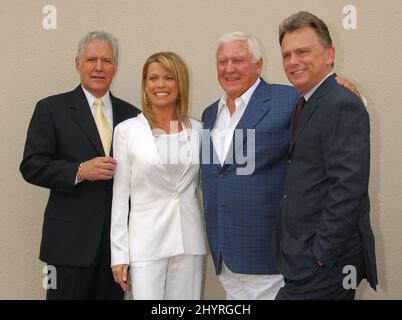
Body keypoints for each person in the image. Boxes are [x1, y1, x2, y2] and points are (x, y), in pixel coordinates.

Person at [200, 31, 363, 300]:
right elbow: (218, 175)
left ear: (259, 64)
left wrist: (351, 96)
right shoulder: (209, 114)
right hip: (225, 257)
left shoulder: (288, 100)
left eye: (238, 60)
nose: (229, 68)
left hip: (270, 257)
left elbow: (332, 112)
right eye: (222, 61)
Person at [19, 31, 140, 299]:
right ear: (78, 64)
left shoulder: (132, 115)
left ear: (116, 68)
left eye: (107, 61)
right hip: (68, 245)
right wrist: (79, 171)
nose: (99, 67)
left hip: (116, 249)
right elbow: (31, 165)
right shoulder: (51, 108)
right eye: (91, 60)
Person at [273, 11, 377, 300]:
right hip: (305, 260)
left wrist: (321, 253)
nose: (293, 61)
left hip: (326, 263)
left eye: (303, 51)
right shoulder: (308, 101)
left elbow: (348, 188)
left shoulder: (341, 102)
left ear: (329, 54)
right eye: (286, 55)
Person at [110, 52, 207, 300]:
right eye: (153, 78)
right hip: (146, 244)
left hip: (189, 241)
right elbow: (120, 197)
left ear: (180, 84)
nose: (160, 85)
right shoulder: (127, 131)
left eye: (168, 77)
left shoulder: (198, 130)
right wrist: (119, 255)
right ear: (145, 85)